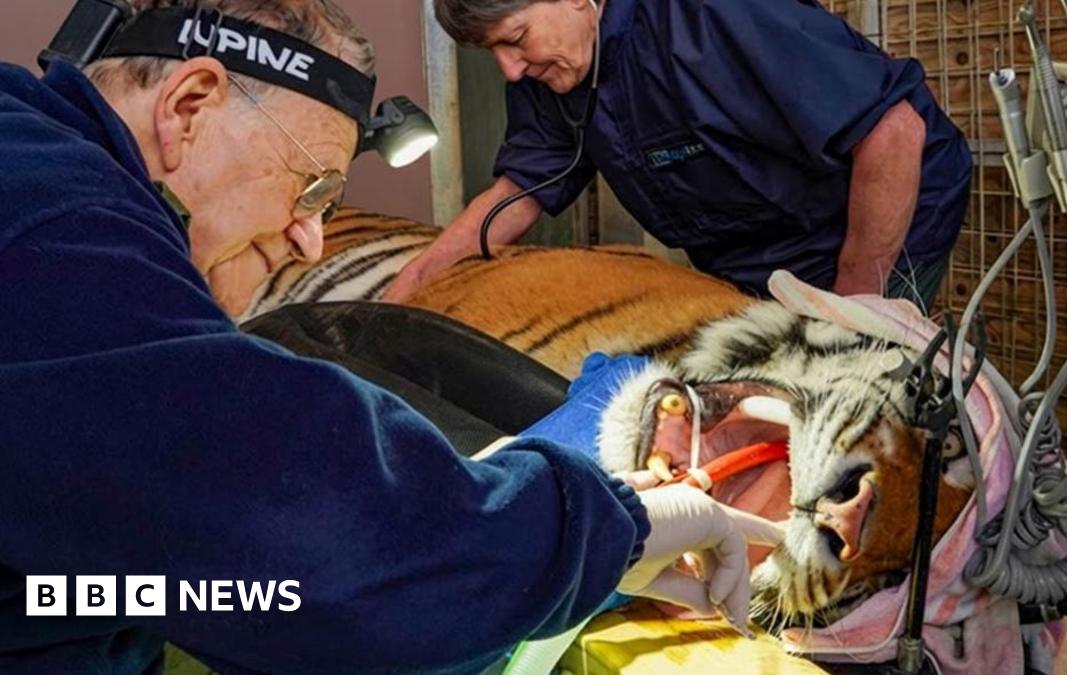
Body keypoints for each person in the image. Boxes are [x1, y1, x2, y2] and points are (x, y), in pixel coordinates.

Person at [0, 1, 780, 673]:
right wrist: (602, 532)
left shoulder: (37, 165)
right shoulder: (58, 224)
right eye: (312, 189)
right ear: (190, 104)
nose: (310, 241)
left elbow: (105, 579)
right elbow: (311, 539)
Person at [383, 0, 972, 310]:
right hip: (754, 255)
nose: (511, 70)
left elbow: (893, 130)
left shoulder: (712, 13)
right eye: (494, 53)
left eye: (515, 39)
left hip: (876, 223)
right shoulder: (552, 73)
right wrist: (416, 278)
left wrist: (853, 305)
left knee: (859, 394)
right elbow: (520, 190)